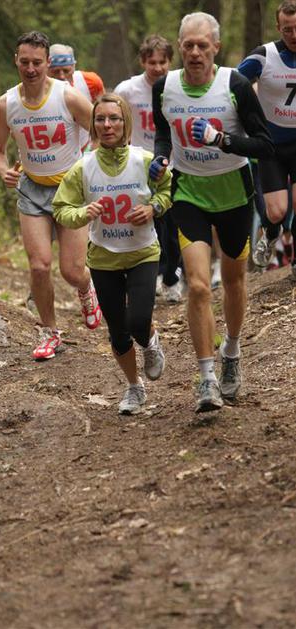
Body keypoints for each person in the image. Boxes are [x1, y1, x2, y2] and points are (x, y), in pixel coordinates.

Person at [151, 12, 274, 412]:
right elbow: (163, 132)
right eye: (188, 45)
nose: (195, 52)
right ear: (179, 47)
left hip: (234, 194)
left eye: (202, 45)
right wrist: (161, 158)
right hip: (189, 194)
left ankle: (231, 352)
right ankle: (206, 378)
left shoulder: (234, 85)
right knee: (200, 286)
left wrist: (222, 139)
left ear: (215, 48)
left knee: (234, 281)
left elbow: (264, 144)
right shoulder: (165, 87)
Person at [53, 93, 172, 414]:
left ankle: (150, 341)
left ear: (125, 123)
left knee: (139, 321)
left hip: (142, 252)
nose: (107, 125)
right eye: (101, 119)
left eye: (114, 118)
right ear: (93, 125)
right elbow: (61, 209)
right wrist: (84, 213)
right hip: (104, 258)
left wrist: (153, 208)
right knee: (118, 332)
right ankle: (134, 387)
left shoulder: (144, 160)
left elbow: (168, 189)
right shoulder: (83, 167)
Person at [0, 31, 102, 361]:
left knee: (72, 271)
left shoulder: (67, 97)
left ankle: (86, 288)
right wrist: (3, 171)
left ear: (47, 63)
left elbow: (101, 130)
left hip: (70, 188)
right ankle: (49, 332)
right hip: (32, 189)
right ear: (16, 61)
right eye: (24, 62)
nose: (30, 69)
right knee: (39, 266)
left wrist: (90, 164)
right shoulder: (6, 104)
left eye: (37, 62)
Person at [115, 35, 183, 304]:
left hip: (175, 164)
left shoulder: (178, 86)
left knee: (173, 226)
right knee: (149, 224)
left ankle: (172, 278)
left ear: (170, 62)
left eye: (162, 62)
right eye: (152, 62)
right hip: (140, 166)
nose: (157, 68)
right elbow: (114, 120)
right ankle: (152, 274)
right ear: (142, 61)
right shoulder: (128, 90)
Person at [238, 1, 296, 276]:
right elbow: (233, 85)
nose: (294, 35)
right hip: (271, 146)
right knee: (276, 212)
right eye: (287, 29)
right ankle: (271, 233)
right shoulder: (264, 56)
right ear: (278, 27)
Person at [48, 43, 104, 151]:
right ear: (46, 69)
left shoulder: (91, 82)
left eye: (66, 71)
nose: (61, 76)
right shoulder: (37, 90)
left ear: (74, 66)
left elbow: (105, 113)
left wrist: (96, 146)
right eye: (55, 71)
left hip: (87, 147)